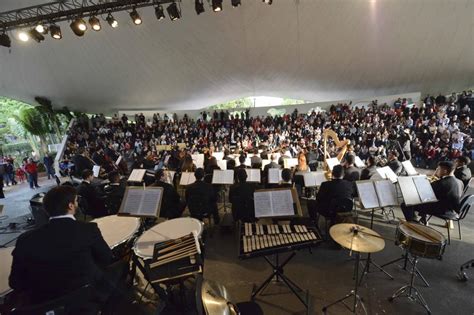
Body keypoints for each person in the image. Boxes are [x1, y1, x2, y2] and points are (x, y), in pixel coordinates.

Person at [9, 185, 127, 314]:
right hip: (83, 299)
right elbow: (106, 258)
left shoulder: (25, 239)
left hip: (42, 305)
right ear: (71, 206)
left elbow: (15, 282)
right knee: (121, 265)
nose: (77, 204)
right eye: (76, 201)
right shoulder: (88, 229)